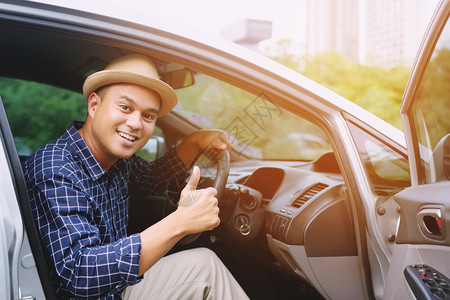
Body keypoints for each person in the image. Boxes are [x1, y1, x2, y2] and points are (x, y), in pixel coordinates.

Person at [23, 54, 249, 299]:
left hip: (114, 289)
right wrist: (180, 222)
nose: (135, 123)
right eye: (125, 107)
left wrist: (194, 142)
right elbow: (80, 273)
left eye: (148, 116)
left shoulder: (117, 162)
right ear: (94, 105)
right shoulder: (55, 169)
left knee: (206, 264)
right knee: (206, 269)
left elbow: (153, 177)